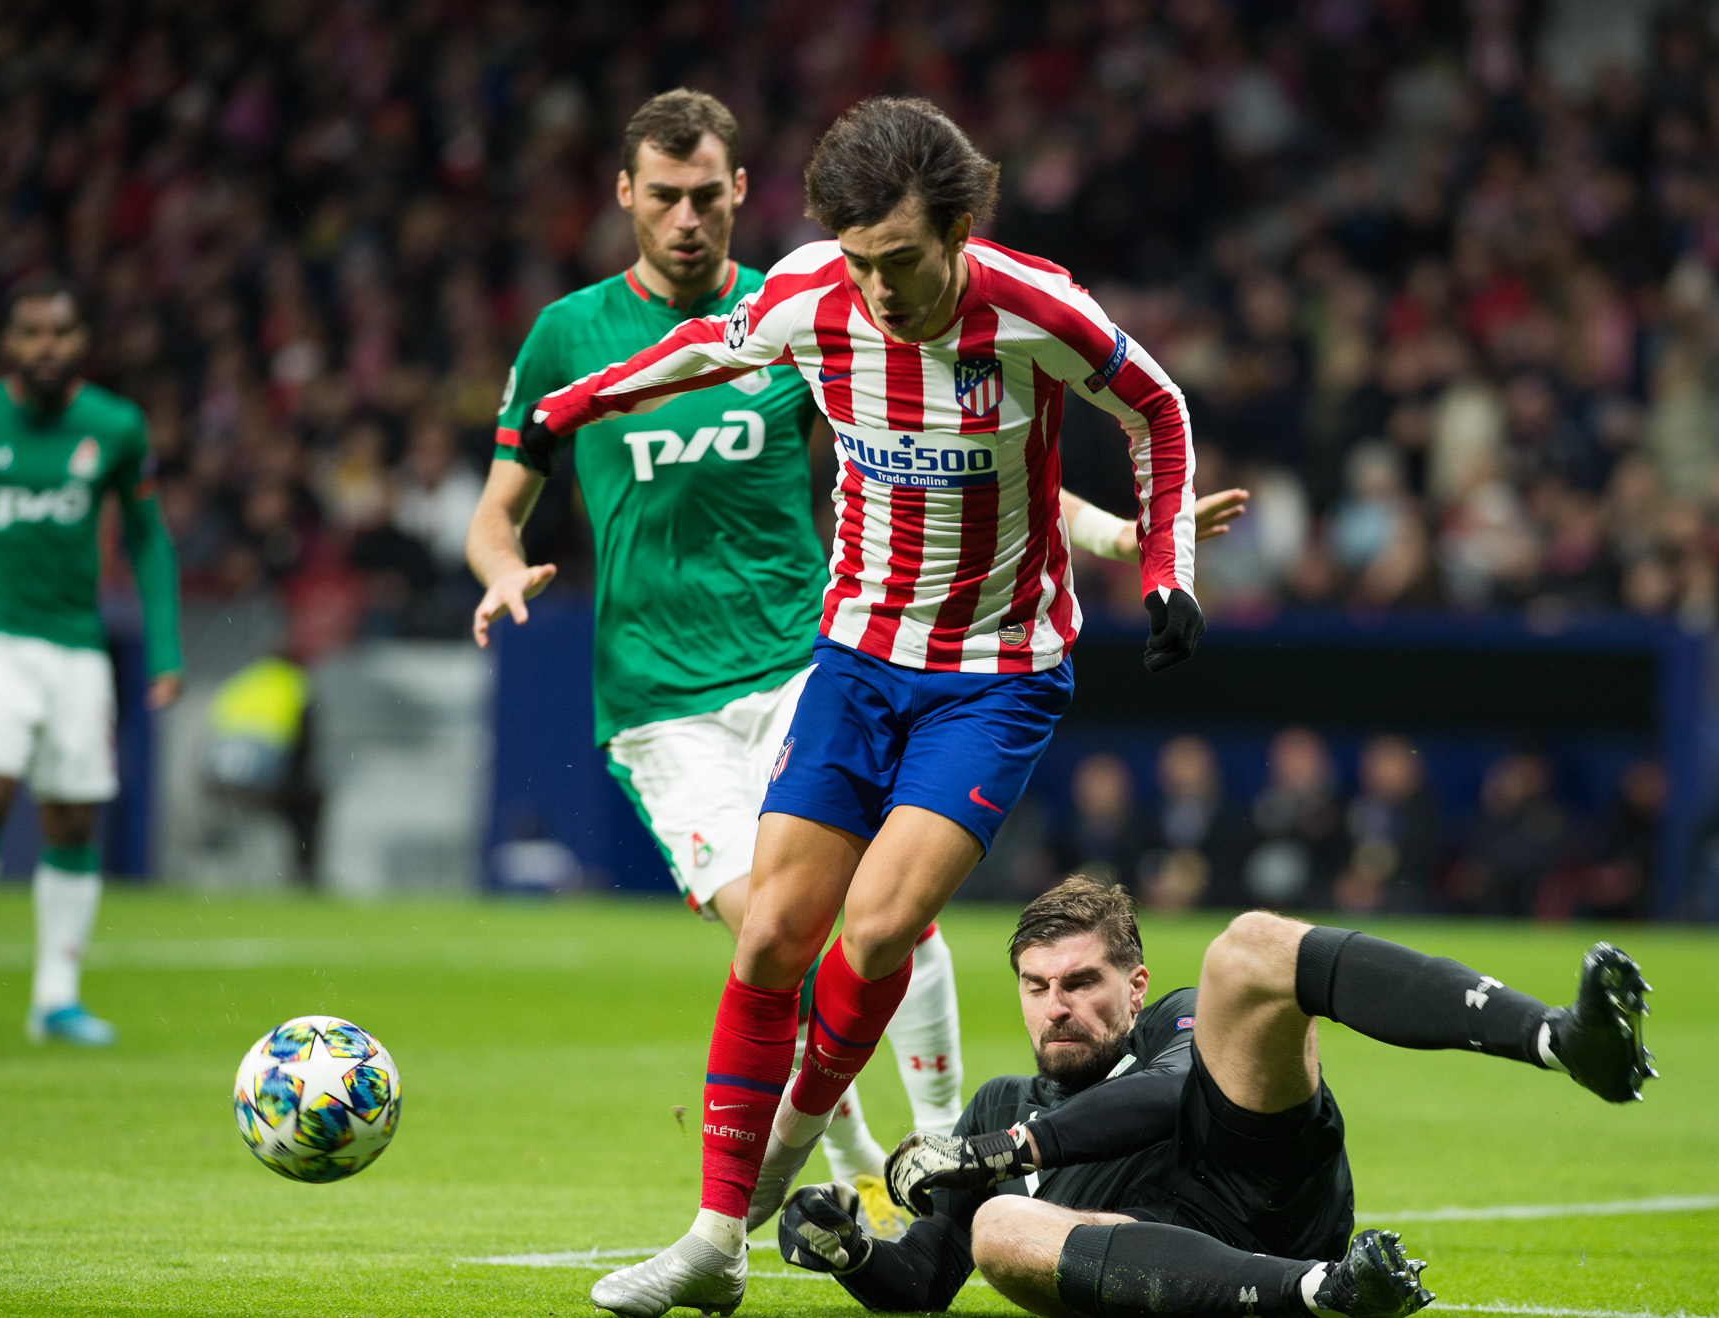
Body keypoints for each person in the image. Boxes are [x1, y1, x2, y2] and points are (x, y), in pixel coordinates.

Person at [468, 91, 1243, 1258]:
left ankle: (855, 1159)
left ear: (958, 229)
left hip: (988, 668)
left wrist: (1163, 565)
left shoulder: (1033, 308)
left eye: (902, 261)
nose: (882, 290)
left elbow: (1160, 412)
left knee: (880, 928)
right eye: (861, 261)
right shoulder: (805, 296)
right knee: (777, 932)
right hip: (838, 659)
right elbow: (684, 358)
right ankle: (721, 1231)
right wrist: (564, 410)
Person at [778, 877, 1656, 1318]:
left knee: (1249, 947)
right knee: (997, 1229)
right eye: (1038, 985)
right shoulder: (1000, 1105)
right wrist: (848, 1250)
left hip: (1258, 1184)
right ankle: (1321, 1295)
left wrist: (1006, 1152)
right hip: (1179, 1268)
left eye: (1084, 981)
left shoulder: (1171, 1025)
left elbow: (1170, 1097)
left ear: (1134, 984)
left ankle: (1558, 1039)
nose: (1060, 1004)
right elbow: (926, 1280)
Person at [0, 276, 183, 1045]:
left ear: (82, 343)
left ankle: (55, 998)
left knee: (72, 815)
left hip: (76, 646)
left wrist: (164, 647)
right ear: (10, 340)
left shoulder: (115, 425)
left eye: (61, 334)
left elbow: (146, 535)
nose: (46, 347)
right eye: (32, 332)